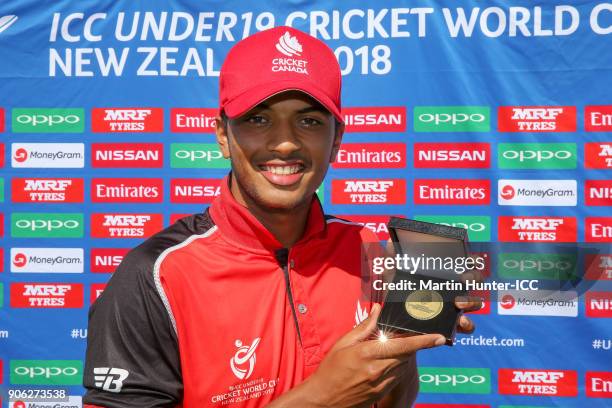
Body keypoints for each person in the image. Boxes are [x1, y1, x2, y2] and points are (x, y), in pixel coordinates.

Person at [83, 26, 480, 408]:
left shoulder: (369, 251)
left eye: (309, 121)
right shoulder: (155, 275)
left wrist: (404, 337)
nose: (285, 142)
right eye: (258, 119)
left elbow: (393, 402)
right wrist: (320, 399)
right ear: (222, 134)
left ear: (337, 138)